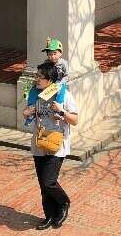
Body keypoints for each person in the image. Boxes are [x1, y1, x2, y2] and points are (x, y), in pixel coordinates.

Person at [23, 61, 78, 230]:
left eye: (40, 76)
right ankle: (49, 215)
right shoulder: (34, 94)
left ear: (50, 80)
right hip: (39, 143)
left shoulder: (64, 95)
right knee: (43, 184)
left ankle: (63, 203)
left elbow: (75, 120)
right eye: (37, 75)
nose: (36, 79)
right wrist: (27, 113)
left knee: (49, 182)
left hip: (56, 144)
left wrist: (61, 111)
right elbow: (27, 115)